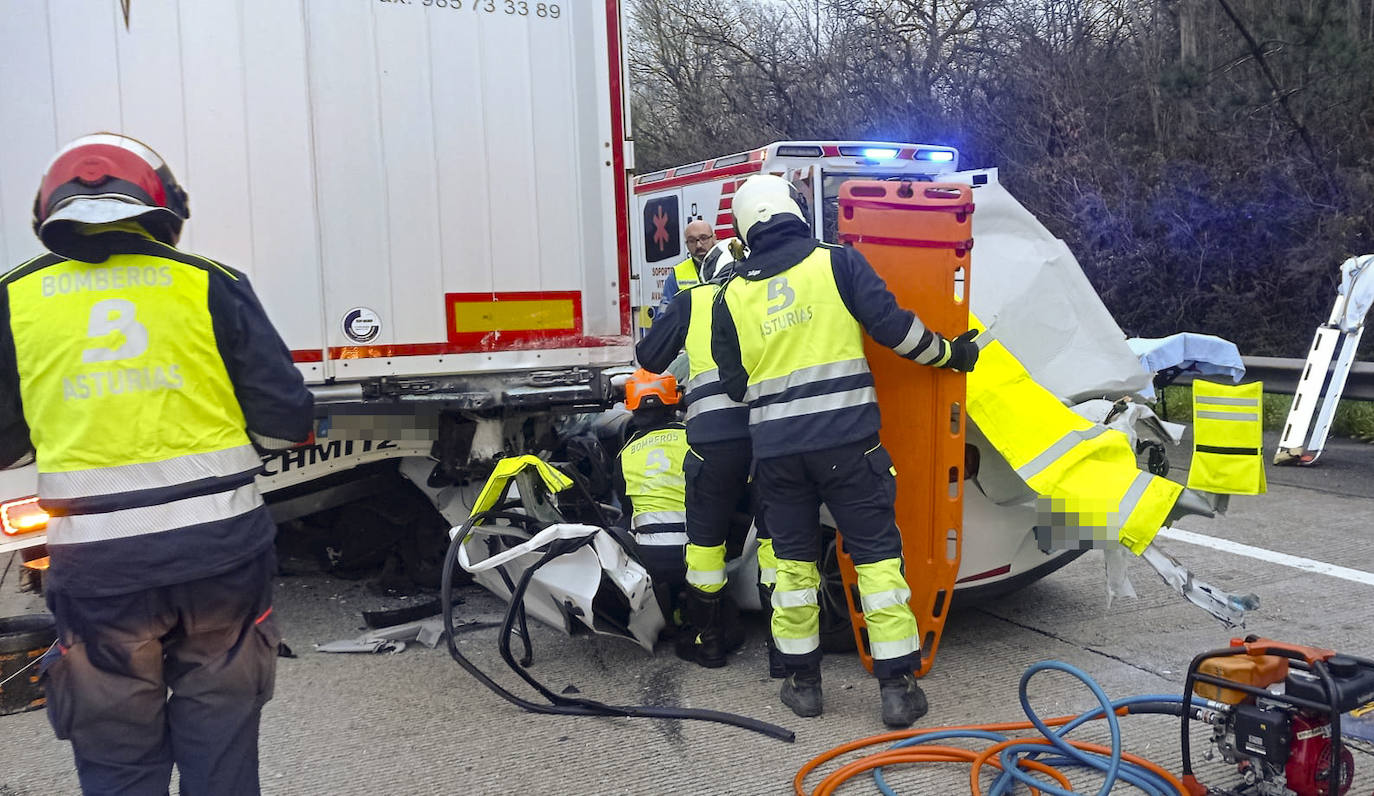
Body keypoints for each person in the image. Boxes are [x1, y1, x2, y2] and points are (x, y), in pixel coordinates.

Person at [0, 133, 314, 794]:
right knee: (222, 747)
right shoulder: (213, 283)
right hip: (223, 560)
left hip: (100, 570)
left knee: (117, 758)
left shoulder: (13, 299)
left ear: (46, 212)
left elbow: (5, 445)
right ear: (164, 207)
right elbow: (288, 422)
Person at [710, 174, 979, 728]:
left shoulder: (729, 294)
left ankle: (803, 685)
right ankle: (898, 690)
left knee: (792, 567)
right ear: (796, 210)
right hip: (847, 445)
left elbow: (735, 385)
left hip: (778, 456)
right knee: (878, 558)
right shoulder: (837, 262)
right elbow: (895, 330)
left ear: (743, 229)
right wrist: (951, 354)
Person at [636, 241, 775, 671]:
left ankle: (707, 641)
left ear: (706, 272)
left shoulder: (693, 299)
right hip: (767, 436)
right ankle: (783, 647)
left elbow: (648, 358)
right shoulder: (768, 293)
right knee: (775, 543)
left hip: (713, 441)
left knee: (706, 543)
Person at [613, 369, 691, 624]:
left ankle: (664, 609)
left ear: (632, 406)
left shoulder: (625, 454)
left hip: (651, 557)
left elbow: (627, 506)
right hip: (697, 552)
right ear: (675, 400)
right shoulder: (692, 438)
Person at [657, 219, 716, 318]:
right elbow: (663, 318)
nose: (698, 245)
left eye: (704, 238)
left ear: (714, 238)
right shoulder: (677, 275)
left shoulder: (730, 267)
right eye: (692, 240)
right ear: (686, 244)